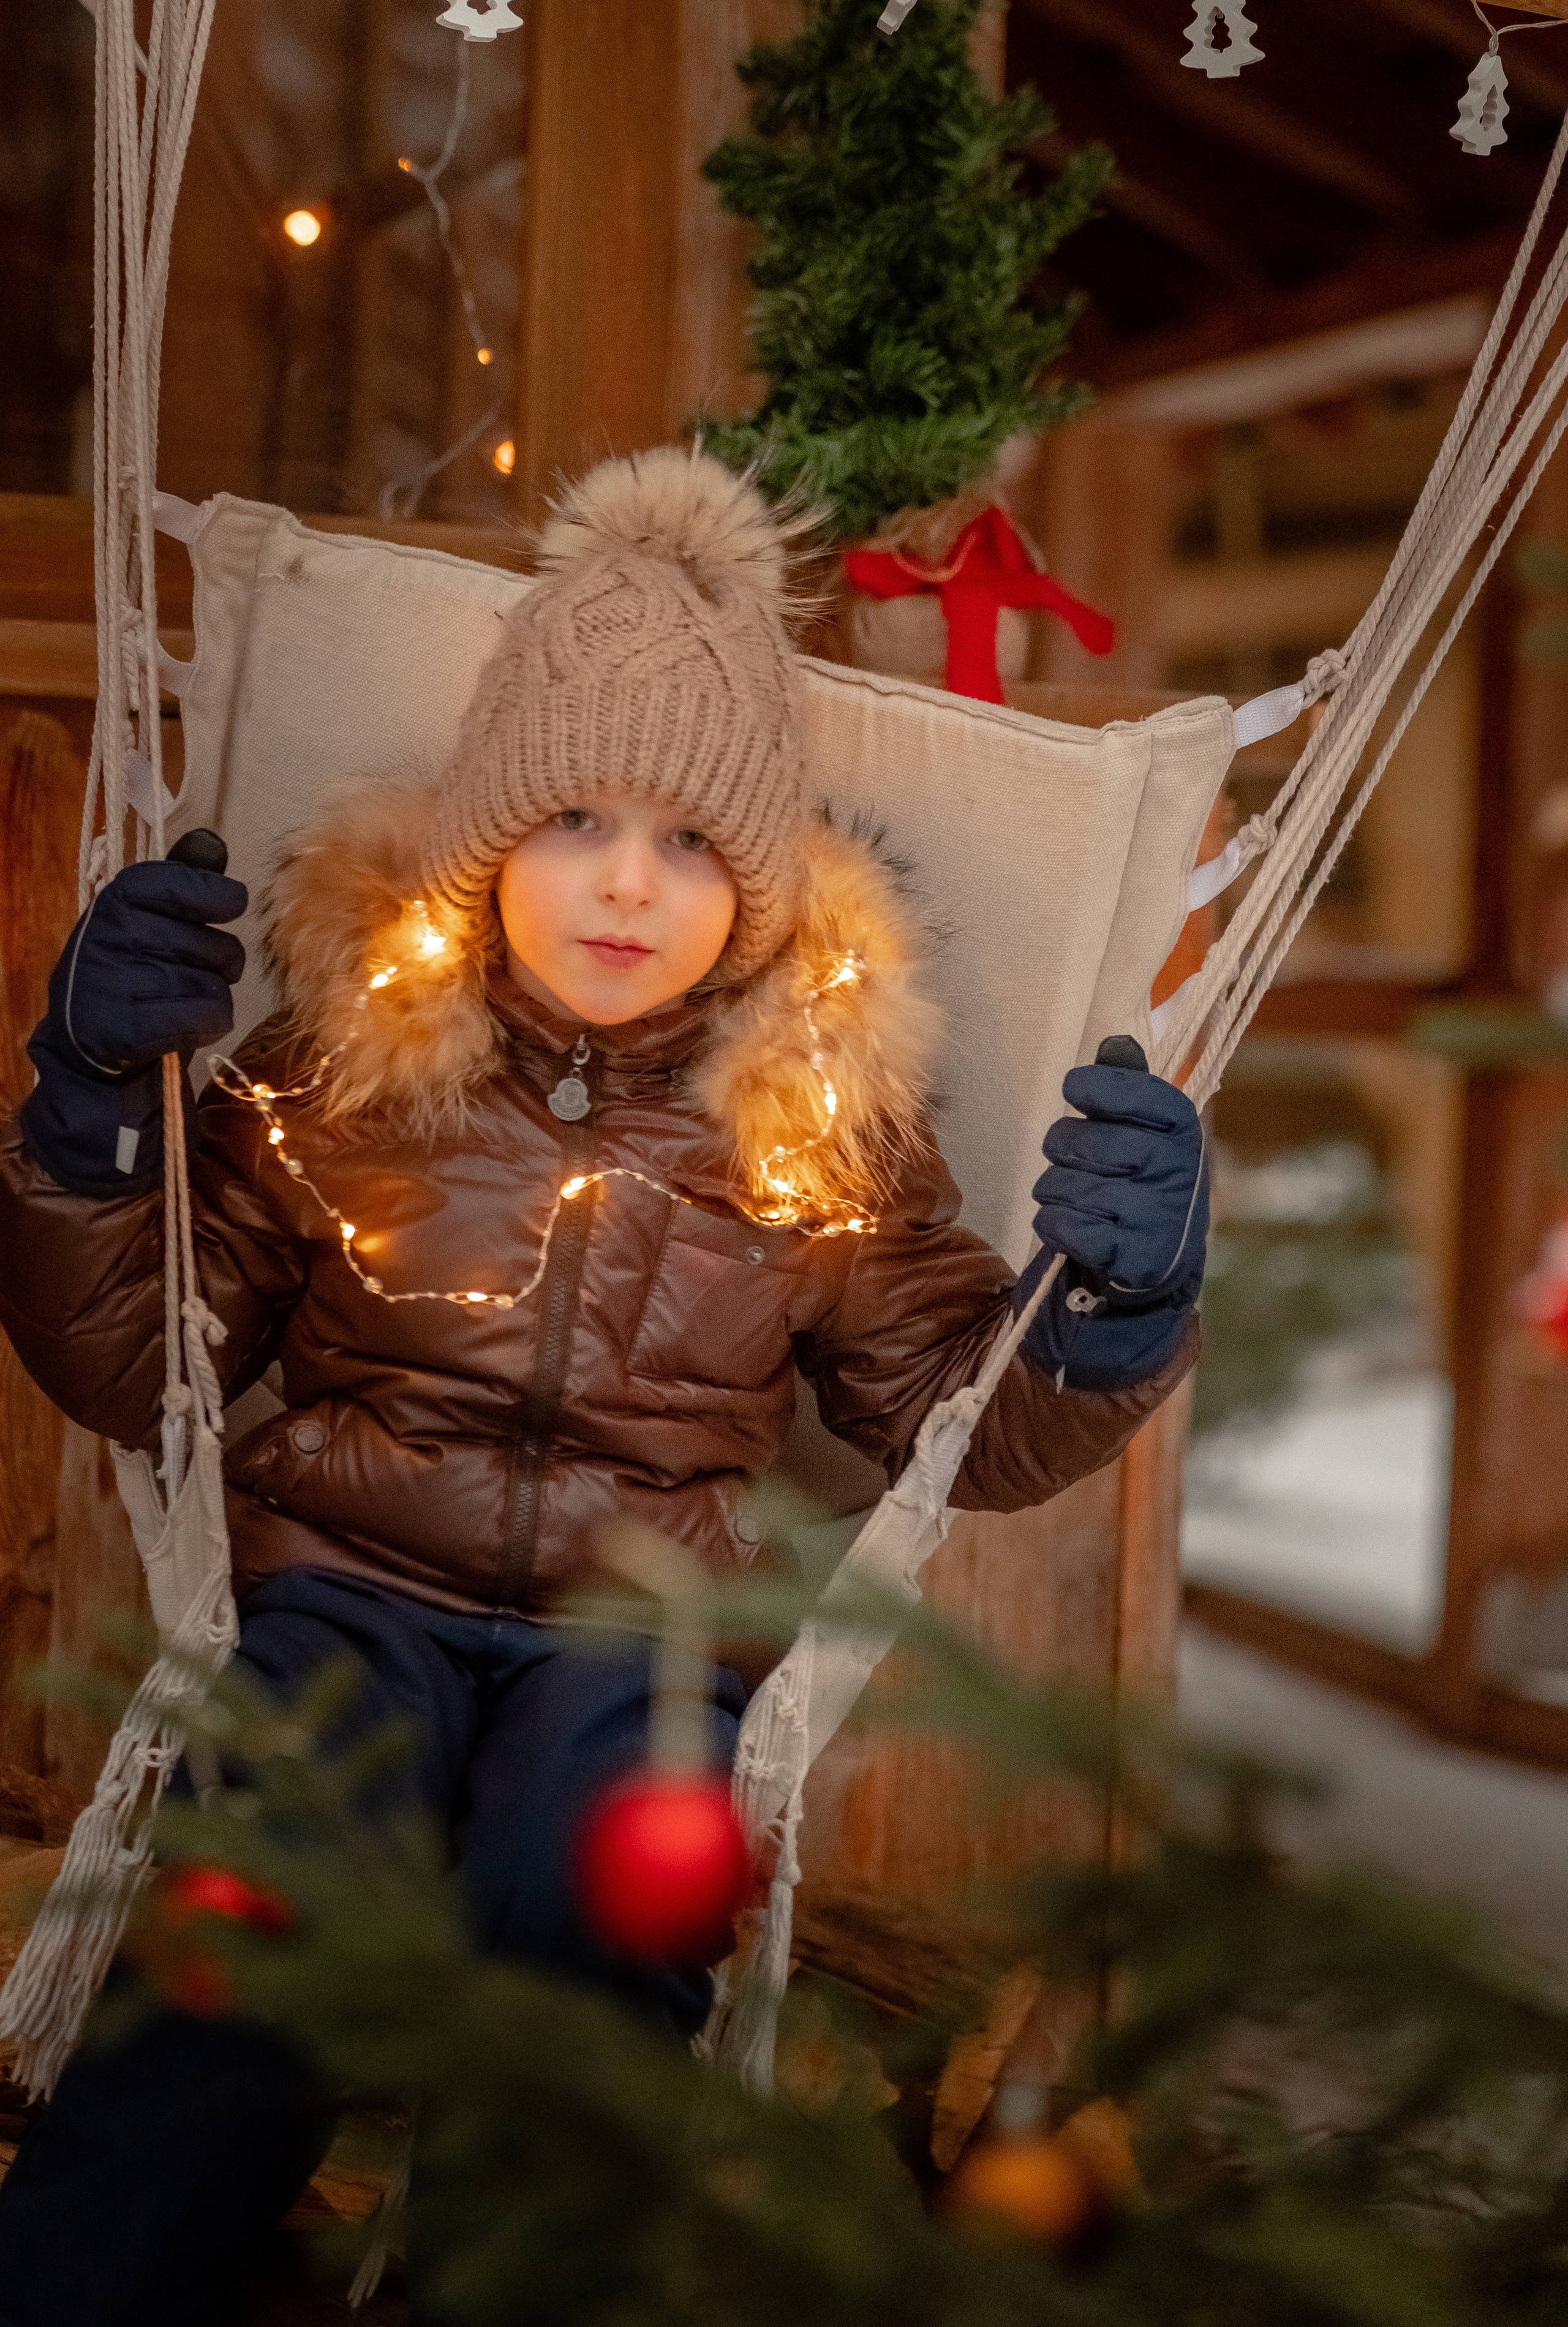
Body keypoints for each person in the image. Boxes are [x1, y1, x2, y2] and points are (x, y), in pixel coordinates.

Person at [0, 447, 1205, 2325]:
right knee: (266, 1909)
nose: (630, 884)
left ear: (766, 880)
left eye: (695, 840)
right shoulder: (349, 1065)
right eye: (573, 820)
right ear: (485, 849)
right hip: (346, 1594)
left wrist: (1115, 1308)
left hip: (647, 1633)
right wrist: (88, 1121)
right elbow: (138, 1360)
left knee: (595, 1909)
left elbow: (963, 1421)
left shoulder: (821, 1123)